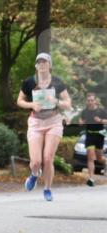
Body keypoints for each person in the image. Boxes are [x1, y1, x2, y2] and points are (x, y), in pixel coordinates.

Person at [17, 53, 72, 201]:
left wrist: (56, 101)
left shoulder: (57, 82)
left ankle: (47, 189)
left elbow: (68, 103)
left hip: (54, 122)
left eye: (44, 62)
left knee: (48, 158)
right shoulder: (29, 82)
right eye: (39, 62)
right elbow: (20, 101)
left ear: (50, 65)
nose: (41, 64)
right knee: (36, 161)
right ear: (36, 66)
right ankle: (34, 174)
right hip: (36, 123)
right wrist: (32, 104)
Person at [77, 92, 106, 187]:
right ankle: (91, 179)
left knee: (99, 158)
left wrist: (100, 120)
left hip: (99, 135)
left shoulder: (101, 111)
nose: (90, 102)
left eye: (92, 100)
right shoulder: (85, 111)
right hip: (89, 135)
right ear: (87, 101)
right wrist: (81, 122)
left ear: (95, 101)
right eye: (88, 100)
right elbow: (81, 122)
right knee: (90, 157)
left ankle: (105, 162)